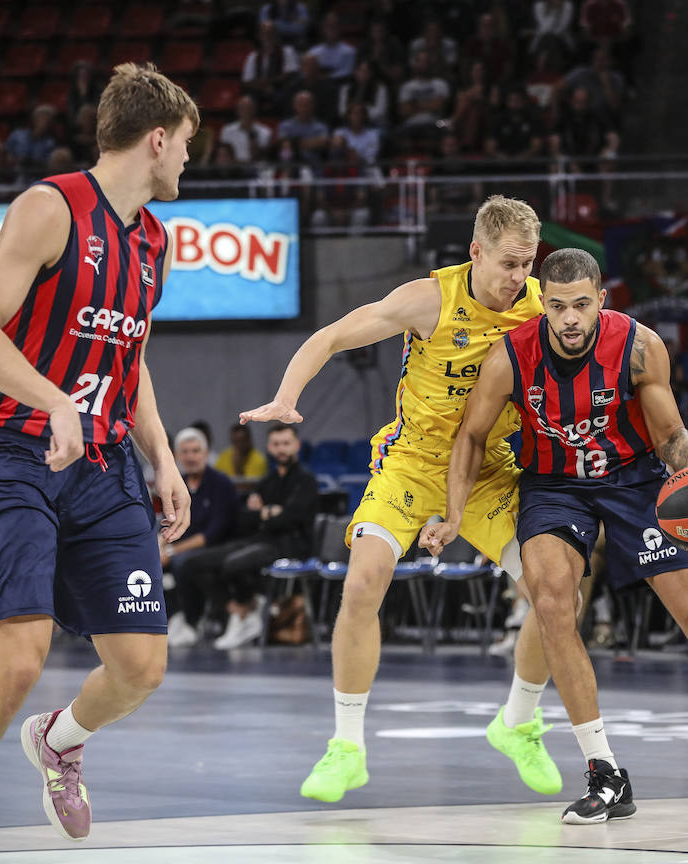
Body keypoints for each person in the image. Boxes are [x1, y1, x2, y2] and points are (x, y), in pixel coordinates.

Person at [0, 63, 195, 864]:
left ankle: (59, 741)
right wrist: (53, 400)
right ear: (155, 139)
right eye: (185, 145)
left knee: (141, 666)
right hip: (16, 458)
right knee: (21, 658)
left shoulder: (154, 243)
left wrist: (163, 458)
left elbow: (128, 358)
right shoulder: (50, 207)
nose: (186, 160)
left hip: (104, 466)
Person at [422, 248, 688, 823]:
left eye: (581, 304)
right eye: (557, 306)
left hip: (634, 479)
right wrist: (452, 515)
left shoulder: (639, 346)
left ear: (601, 300)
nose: (570, 318)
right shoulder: (511, 357)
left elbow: (669, 433)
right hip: (554, 486)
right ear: (541, 306)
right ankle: (604, 771)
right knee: (552, 602)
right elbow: (471, 437)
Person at [240, 197, 567, 805]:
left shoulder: (543, 310)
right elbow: (333, 336)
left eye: (528, 264)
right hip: (412, 465)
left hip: (492, 472)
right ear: (476, 252)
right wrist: (286, 398)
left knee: (557, 593)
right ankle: (347, 748)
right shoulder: (429, 300)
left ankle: (518, 722)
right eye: (508, 264)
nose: (519, 277)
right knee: (364, 580)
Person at [175, 423, 317, 649]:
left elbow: (292, 517)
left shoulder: (306, 481)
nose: (281, 449)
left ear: (297, 446)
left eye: (286, 444)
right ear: (269, 448)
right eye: (276, 444)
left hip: (289, 546)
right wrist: (270, 512)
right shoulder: (267, 482)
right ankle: (241, 613)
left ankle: (248, 610)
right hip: (258, 541)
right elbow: (244, 518)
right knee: (193, 563)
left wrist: (262, 512)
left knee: (234, 563)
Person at [162, 427, 240, 647]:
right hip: (182, 546)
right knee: (147, 562)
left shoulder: (221, 484)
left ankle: (191, 622)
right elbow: (166, 521)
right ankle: (170, 617)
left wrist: (171, 551)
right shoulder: (176, 485)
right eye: (185, 452)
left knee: (182, 563)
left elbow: (214, 533)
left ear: (206, 454)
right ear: (177, 456)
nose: (191, 457)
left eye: (196, 451)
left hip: (218, 546)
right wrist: (160, 546)